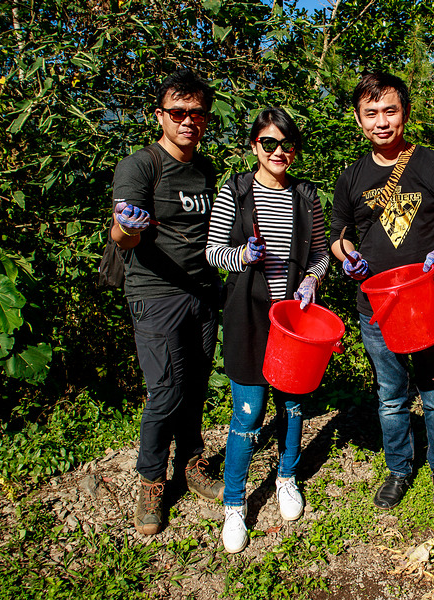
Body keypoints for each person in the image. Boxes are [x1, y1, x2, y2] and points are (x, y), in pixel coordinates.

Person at [329, 72, 434, 512]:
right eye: (371, 113)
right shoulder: (350, 177)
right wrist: (346, 255)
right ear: (358, 120)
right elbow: (339, 233)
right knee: (391, 395)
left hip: (429, 300)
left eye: (389, 111)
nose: (381, 121)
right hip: (376, 307)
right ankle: (398, 470)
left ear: (405, 114)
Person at [205, 107, 329, 553]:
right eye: (269, 144)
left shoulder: (306, 196)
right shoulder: (235, 190)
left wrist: (312, 279)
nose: (279, 152)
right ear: (255, 146)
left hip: (293, 319)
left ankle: (287, 477)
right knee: (248, 413)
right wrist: (244, 255)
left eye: (286, 145)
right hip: (248, 317)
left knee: (293, 405)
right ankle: (234, 505)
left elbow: (320, 254)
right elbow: (213, 253)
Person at [111, 69, 223, 536]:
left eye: (196, 113)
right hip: (155, 295)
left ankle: (192, 462)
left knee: (196, 385)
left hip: (202, 291)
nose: (187, 121)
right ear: (160, 116)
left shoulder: (205, 169)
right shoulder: (139, 166)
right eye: (178, 112)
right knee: (165, 392)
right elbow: (120, 233)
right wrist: (129, 225)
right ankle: (152, 479)